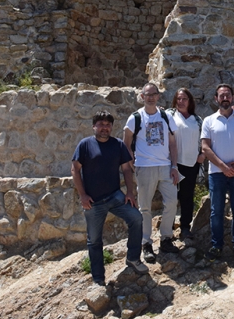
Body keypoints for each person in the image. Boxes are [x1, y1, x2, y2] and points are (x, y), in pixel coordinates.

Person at [72, 110, 149, 285]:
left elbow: (126, 169)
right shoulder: (85, 145)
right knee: (94, 240)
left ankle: (133, 259)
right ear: (94, 126)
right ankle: (98, 278)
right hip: (93, 201)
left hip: (115, 196)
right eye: (101, 124)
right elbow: (75, 170)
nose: (104, 128)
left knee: (136, 218)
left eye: (107, 125)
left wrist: (130, 192)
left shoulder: (118, 145)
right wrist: (83, 195)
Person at [123, 83, 181, 263]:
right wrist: (132, 162)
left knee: (171, 201)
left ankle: (166, 238)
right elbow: (126, 142)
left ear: (158, 96)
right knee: (145, 207)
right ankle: (146, 243)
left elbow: (172, 143)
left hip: (165, 166)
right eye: (147, 95)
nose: (150, 97)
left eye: (153, 94)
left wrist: (174, 166)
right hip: (145, 167)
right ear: (142, 96)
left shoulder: (165, 116)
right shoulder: (135, 118)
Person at [201, 84, 234, 261]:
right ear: (216, 98)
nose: (225, 98)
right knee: (216, 211)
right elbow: (205, 147)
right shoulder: (208, 121)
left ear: (232, 98)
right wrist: (224, 167)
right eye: (221, 95)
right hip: (216, 173)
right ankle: (217, 245)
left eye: (228, 95)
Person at [167, 88, 204, 240]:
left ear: (190, 101)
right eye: (179, 99)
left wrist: (202, 155)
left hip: (191, 163)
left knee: (187, 197)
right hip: (173, 163)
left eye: (184, 99)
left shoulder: (197, 120)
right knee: (170, 197)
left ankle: (185, 227)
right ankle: (167, 230)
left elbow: (204, 139)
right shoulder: (169, 115)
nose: (181, 102)